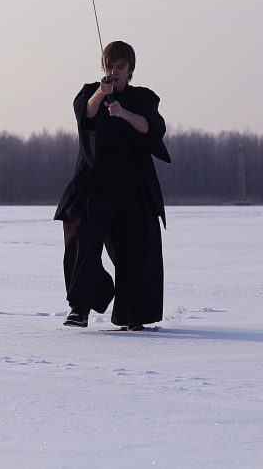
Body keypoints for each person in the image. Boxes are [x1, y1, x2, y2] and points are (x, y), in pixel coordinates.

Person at [54, 40, 171, 330]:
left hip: (133, 186)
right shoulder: (90, 93)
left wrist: (124, 114)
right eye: (109, 66)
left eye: (120, 67)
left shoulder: (143, 97)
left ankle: (135, 315)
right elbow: (85, 115)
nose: (114, 71)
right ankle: (81, 308)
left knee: (138, 249)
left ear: (130, 69)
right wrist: (100, 95)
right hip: (95, 185)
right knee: (82, 240)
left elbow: (153, 127)